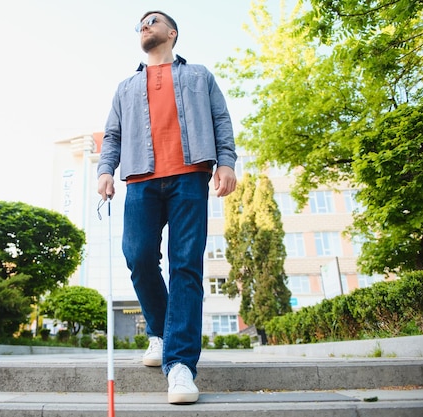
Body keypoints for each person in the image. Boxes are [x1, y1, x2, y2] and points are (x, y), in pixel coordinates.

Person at [97, 10, 237, 404]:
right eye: (140, 23)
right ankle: (159, 331)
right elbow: (113, 135)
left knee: (185, 267)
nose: (144, 25)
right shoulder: (126, 86)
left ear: (171, 33)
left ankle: (179, 366)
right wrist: (106, 170)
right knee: (138, 256)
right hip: (141, 179)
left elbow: (221, 120)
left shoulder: (199, 76)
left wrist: (226, 161)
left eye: (153, 20)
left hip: (190, 176)